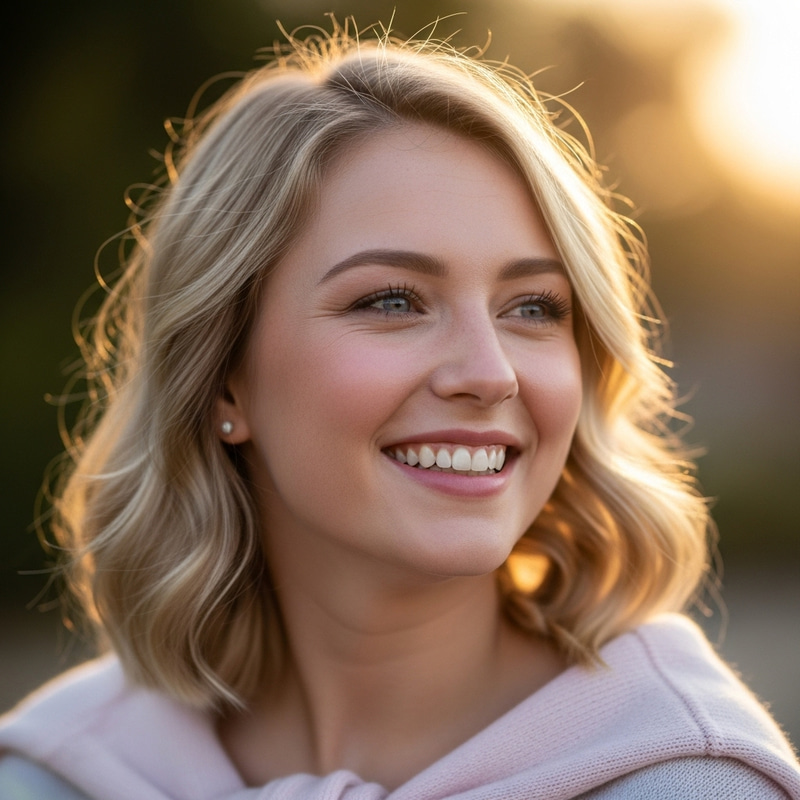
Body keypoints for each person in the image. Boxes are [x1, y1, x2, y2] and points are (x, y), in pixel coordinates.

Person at [1, 18, 798, 800]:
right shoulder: (54, 775)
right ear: (222, 379)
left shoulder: (686, 782)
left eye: (533, 307)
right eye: (392, 300)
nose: (491, 375)